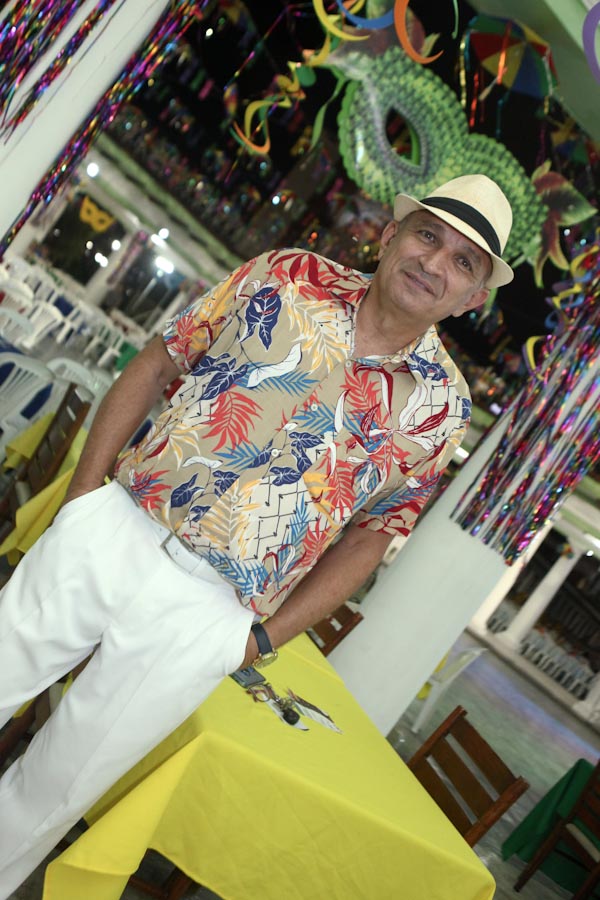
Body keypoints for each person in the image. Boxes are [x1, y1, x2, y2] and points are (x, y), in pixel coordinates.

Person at [0, 173, 514, 896]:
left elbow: (372, 538)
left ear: (473, 298)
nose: (434, 263)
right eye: (427, 235)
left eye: (463, 262)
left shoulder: (442, 411)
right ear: (389, 235)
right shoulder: (287, 276)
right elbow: (160, 360)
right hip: (118, 528)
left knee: (54, 791)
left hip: (208, 614)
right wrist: (84, 498)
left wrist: (260, 642)